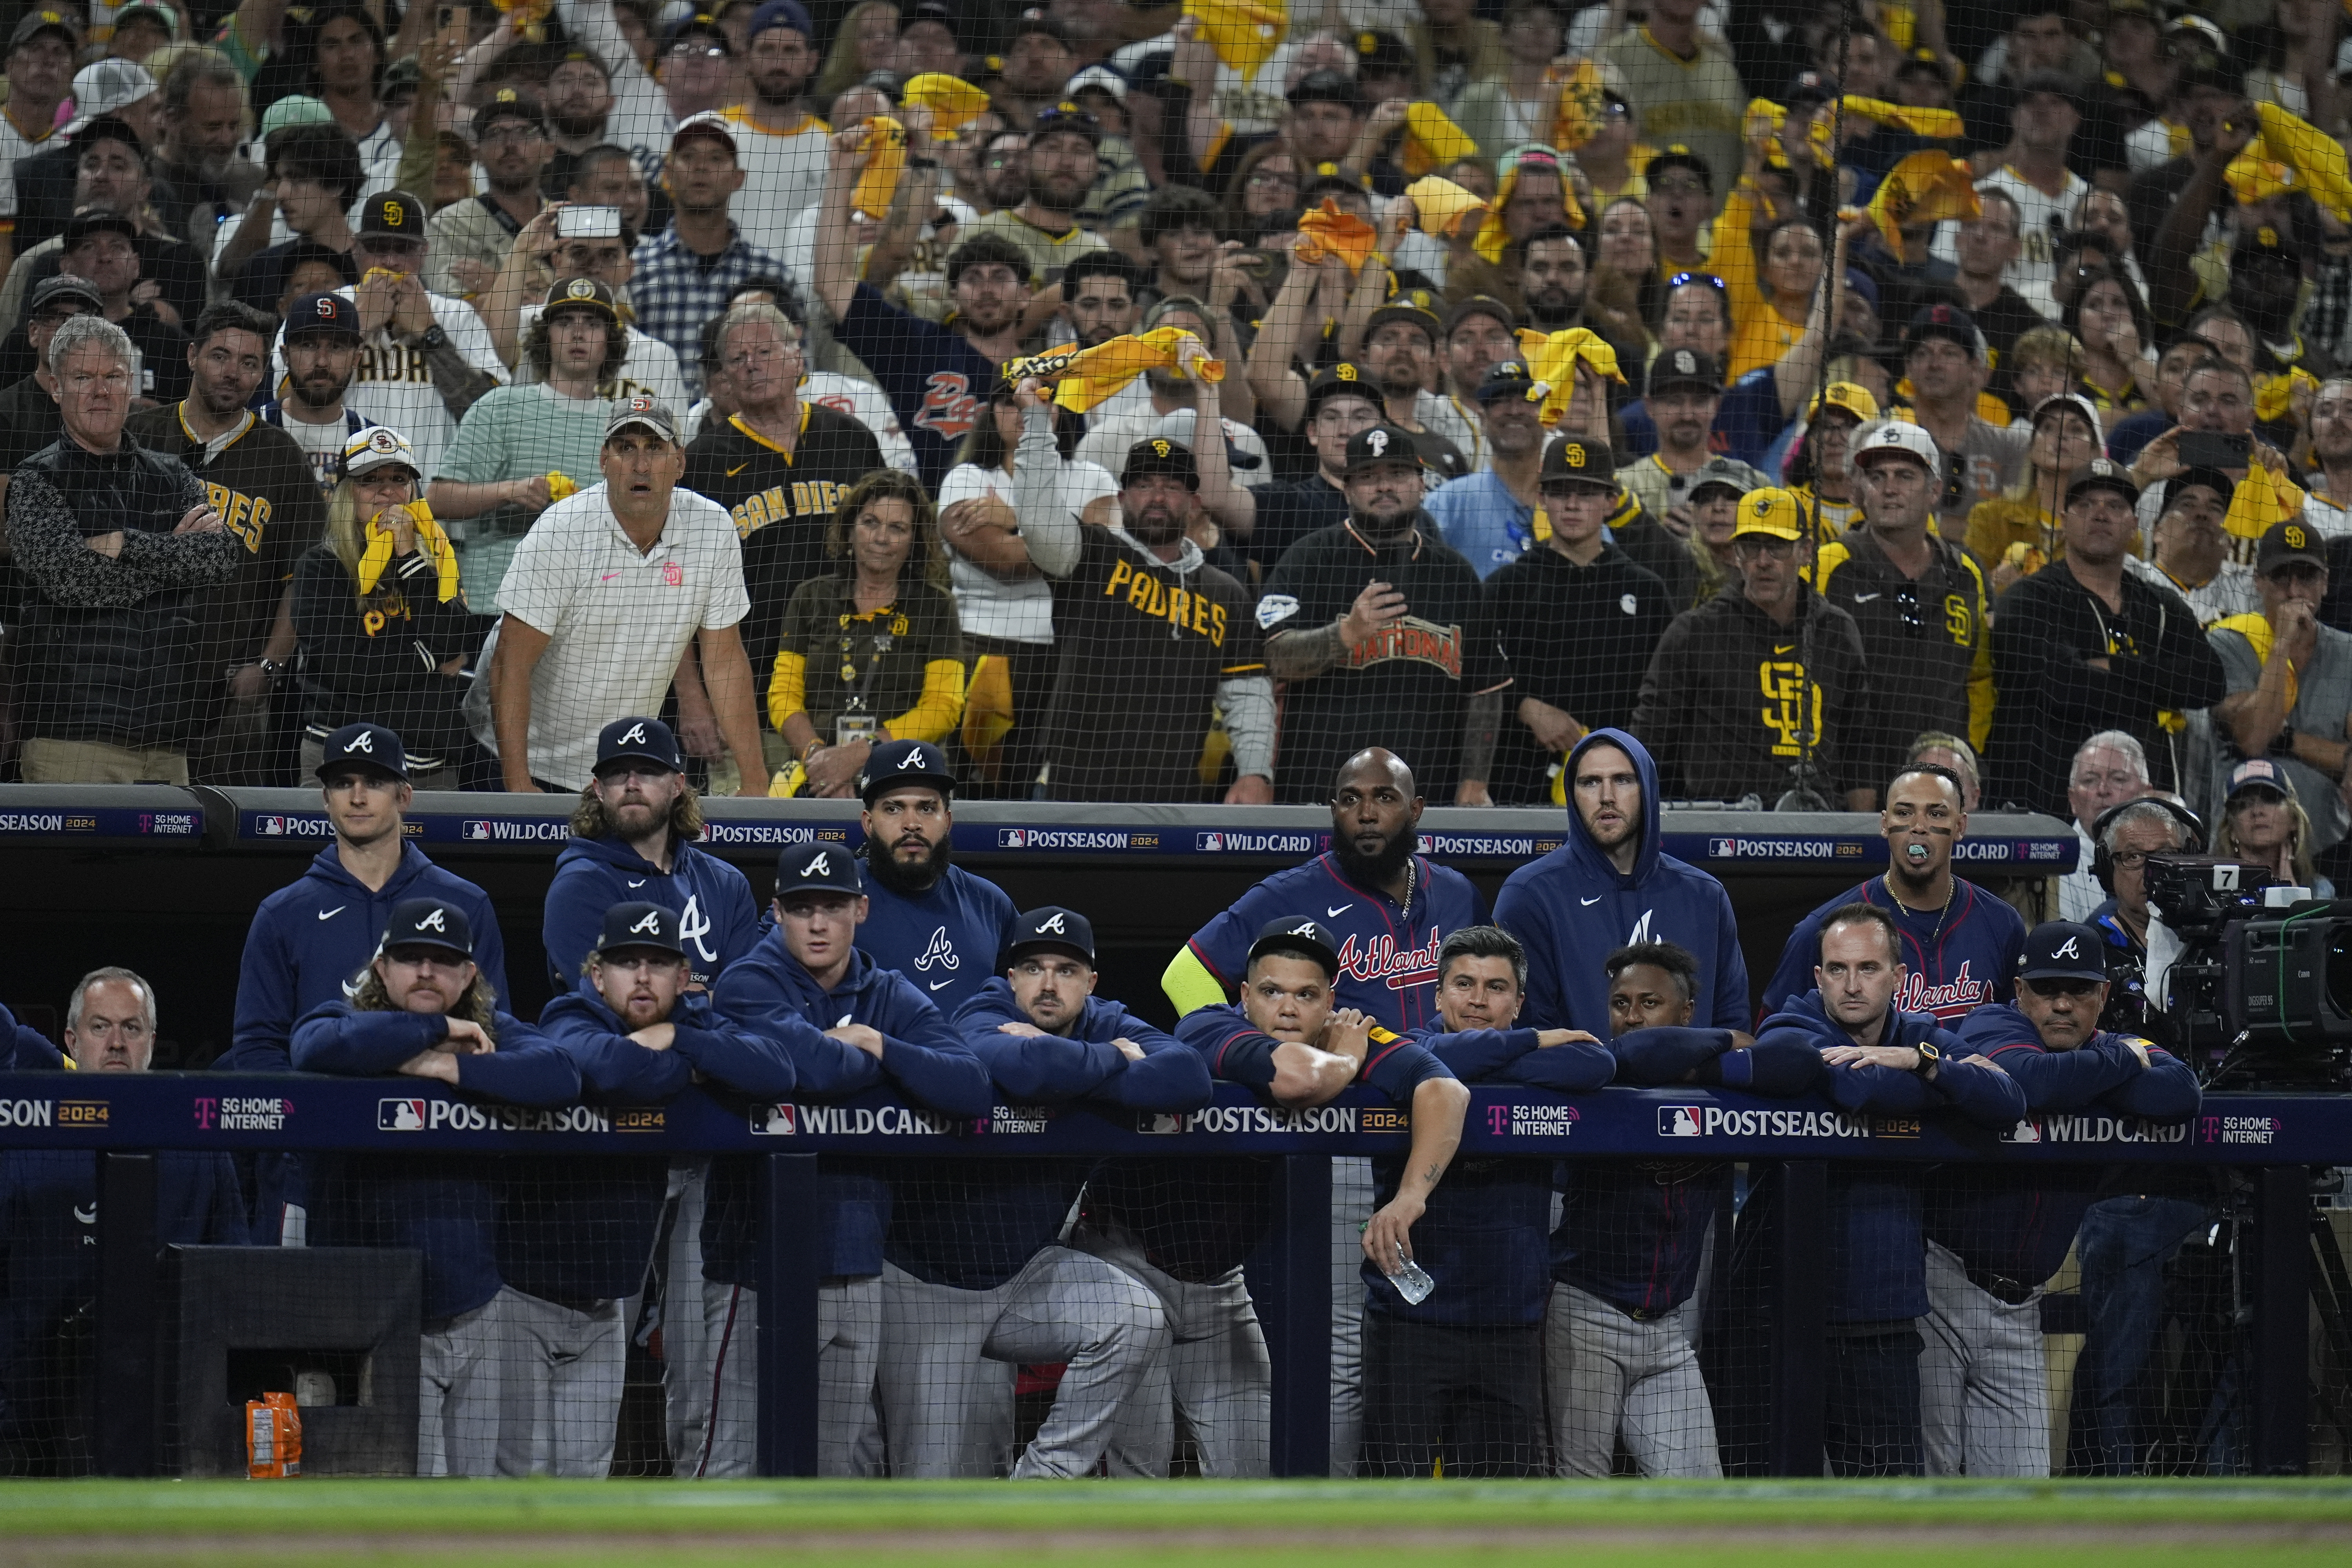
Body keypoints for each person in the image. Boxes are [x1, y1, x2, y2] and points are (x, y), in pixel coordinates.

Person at [700, 843, 993, 1478]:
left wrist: (879, 1043)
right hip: (758, 1268)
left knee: (827, 1478)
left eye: (832, 906)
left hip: (859, 1268)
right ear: (776, 913)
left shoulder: (887, 993)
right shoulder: (750, 982)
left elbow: (971, 1088)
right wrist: (867, 1062)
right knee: (732, 1467)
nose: (818, 923)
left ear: (860, 909)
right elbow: (813, 1066)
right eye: (802, 908)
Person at [876, 906, 1199, 1479]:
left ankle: (1042, 1483)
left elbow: (1189, 1078)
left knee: (1138, 1316)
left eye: (1067, 970)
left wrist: (1071, 1063)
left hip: (1022, 1273)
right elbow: (1023, 1069)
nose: (1049, 984)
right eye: (1033, 967)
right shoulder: (983, 1010)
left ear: (1092, 983)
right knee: (929, 1486)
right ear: (1011, 977)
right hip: (929, 1284)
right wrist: (1112, 1062)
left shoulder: (1106, 1017)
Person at [1172, 915, 1472, 1477]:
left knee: (1253, 1473)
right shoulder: (1209, 1025)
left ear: (1330, 1002)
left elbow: (1446, 1090)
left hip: (1215, 1282)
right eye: (1272, 992)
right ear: (1244, 997)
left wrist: (1410, 1197)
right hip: (1133, 1268)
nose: (1288, 1009)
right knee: (1130, 1470)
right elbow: (1298, 1079)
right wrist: (1351, 1059)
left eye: (1306, 995)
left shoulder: (1344, 1032)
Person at [289, 897, 577, 1479]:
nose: (426, 972)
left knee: (473, 1497)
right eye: (411, 958)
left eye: (443, 961)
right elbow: (313, 1045)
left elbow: (561, 1074)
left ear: (469, 974)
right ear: (382, 969)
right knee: (390, 1488)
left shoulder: (494, 1034)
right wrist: (436, 1030)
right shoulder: (343, 1018)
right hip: (376, 1317)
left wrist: (451, 1068)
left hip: (474, 1305)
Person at [1753, 903, 2027, 1476]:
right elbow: (1864, 1089)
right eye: (1837, 969)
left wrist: (1920, 1062)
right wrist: (1946, 1084)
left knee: (1885, 1510)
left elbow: (2008, 1102)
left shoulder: (1920, 1038)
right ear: (1818, 977)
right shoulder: (1792, 1026)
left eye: (1869, 969)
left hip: (1883, 1318)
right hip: (1776, 1319)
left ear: (1899, 979)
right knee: (1768, 1513)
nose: (1851, 985)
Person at [522, 900, 789, 1479]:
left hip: (661, 1217)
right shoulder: (569, 1013)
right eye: (626, 963)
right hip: (553, 1275)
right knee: (521, 1468)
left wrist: (676, 1037)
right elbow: (613, 1070)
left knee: (585, 1461)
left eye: (657, 963)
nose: (642, 978)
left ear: (683, 977)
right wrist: (690, 1067)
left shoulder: (692, 1020)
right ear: (597, 975)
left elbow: (775, 1070)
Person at [1934, 922, 2201, 1477]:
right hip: (1941, 1291)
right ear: (2020, 991)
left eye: (2078, 991)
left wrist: (2098, 1067)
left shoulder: (2104, 1045)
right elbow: (2031, 1081)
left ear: (2103, 996)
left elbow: (2181, 1092)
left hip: (2022, 1308)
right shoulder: (1990, 1023)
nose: (2061, 1005)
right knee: (1927, 1484)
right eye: (2047, 988)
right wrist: (2125, 1061)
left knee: (2023, 1495)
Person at [1551, 940, 1822, 1477]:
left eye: (1649, 1003)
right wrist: (1725, 1042)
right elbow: (1641, 1055)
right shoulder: (1601, 1070)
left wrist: (1700, 1071)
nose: (1631, 1017)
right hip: (1586, 1319)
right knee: (1578, 1498)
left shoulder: (1713, 1084)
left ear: (1686, 1011)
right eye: (1620, 1003)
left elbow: (1801, 1063)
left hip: (1668, 1333)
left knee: (1701, 1493)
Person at [1360, 925, 1616, 1479]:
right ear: (1437, 995)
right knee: (1391, 1504)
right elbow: (1418, 1053)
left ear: (1519, 1001)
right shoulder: (1399, 1052)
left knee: (1500, 1512)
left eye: (1496, 988)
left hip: (1509, 1328)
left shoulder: (1426, 1055)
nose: (1477, 1000)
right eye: (1464, 984)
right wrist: (1528, 1043)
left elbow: (1597, 1064)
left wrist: (1477, 1058)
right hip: (1410, 1326)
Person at [0, 969, 247, 1479]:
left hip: (170, 1411)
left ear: (152, 1041)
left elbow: (232, 1278)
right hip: (33, 1413)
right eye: (100, 1027)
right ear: (71, 1040)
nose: (116, 1043)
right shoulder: (26, 1142)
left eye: (131, 1028)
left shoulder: (197, 1146)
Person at [490, 397, 769, 796]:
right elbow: (509, 663)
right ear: (604, 461)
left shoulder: (713, 529)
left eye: (655, 449)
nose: (640, 466)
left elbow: (724, 662)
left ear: (680, 464)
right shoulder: (561, 531)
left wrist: (755, 778)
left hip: (623, 768)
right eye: (626, 449)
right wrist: (518, 783)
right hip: (526, 761)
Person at [5, 314, 238, 784]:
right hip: (71, 737)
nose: (100, 391)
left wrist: (124, 544)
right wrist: (173, 555)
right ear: (55, 388)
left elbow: (220, 558)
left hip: (168, 738)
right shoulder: (36, 480)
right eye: (83, 378)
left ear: (131, 384)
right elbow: (69, 581)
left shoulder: (172, 476)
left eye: (112, 376)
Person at [105, 299, 321, 786]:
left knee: (224, 840)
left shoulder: (282, 455)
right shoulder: (138, 436)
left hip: (229, 692)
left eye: (249, 363)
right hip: (133, 677)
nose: (233, 374)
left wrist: (267, 665)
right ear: (192, 356)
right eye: (220, 356)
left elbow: (301, 576)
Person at [1008, 409, 1272, 803]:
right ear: (1122, 496)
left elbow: (1248, 695)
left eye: (1172, 486)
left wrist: (1256, 772)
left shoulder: (1227, 593)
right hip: (1071, 787)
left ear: (1194, 503)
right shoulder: (1091, 554)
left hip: (1173, 796)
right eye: (1144, 484)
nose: (1158, 497)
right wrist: (1037, 427)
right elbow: (1038, 520)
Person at [679, 299, 888, 774]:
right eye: (736, 359)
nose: (751, 365)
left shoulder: (852, 439)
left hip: (854, 682)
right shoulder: (703, 460)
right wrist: (693, 698)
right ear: (724, 378)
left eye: (765, 351)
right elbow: (677, 591)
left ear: (798, 358)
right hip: (746, 685)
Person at [1259, 423, 1512, 804]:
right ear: (1347, 489)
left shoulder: (1457, 574)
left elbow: (1485, 690)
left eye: (1397, 473)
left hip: (1427, 797)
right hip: (1318, 792)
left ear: (1421, 483)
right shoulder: (1308, 559)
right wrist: (1344, 635)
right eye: (1367, 477)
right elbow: (1274, 658)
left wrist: (1475, 782)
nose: (1384, 487)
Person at [1985, 458, 2226, 815]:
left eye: (2115, 506)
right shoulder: (2028, 598)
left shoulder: (2160, 604)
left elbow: (2209, 682)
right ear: (2064, 520)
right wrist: (2158, 691)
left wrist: (2112, 666)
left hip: (2146, 816)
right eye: (2086, 505)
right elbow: (2063, 686)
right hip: (2045, 809)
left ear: (2134, 524)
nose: (2100, 515)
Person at [1632, 486, 1877, 809]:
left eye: (1777, 547)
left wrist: (1860, 850)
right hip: (1721, 833)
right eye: (1751, 547)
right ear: (1736, 554)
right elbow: (1648, 743)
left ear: (1806, 551)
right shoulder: (1695, 633)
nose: (1763, 562)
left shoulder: (1837, 632)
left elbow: (1858, 752)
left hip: (1818, 831)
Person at [1492, 726, 1747, 1034]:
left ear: (1648, 790)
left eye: (1622, 780)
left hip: (1689, 1084)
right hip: (1578, 1082)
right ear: (1573, 795)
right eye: (1590, 783)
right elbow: (1527, 1031)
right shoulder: (1530, 895)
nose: (1606, 797)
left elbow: (1733, 1027)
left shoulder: (1706, 896)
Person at [286, 425, 492, 785]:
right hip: (345, 754)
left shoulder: (436, 561)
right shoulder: (321, 566)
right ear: (348, 492)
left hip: (430, 761)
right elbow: (349, 669)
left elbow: (455, 639)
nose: (387, 492)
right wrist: (429, 657)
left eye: (399, 479)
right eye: (370, 480)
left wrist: (410, 557)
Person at [813, 123, 1016, 488]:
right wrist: (841, 172)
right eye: (972, 278)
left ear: (1026, 294)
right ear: (952, 293)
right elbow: (832, 282)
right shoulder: (915, 346)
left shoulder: (1047, 372)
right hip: (923, 522)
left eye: (1000, 277)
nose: (987, 290)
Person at [1483, 434, 1676, 806]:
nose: (1572, 505)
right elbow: (1474, 675)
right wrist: (1525, 705)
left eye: (1586, 493)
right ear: (1542, 497)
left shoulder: (1647, 590)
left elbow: (1666, 694)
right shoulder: (1505, 588)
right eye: (1560, 492)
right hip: (1519, 782)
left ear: (1611, 502)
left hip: (1622, 785)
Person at [272, 191, 507, 487]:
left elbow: (494, 417)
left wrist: (430, 335)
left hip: (433, 504)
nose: (391, 261)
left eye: (404, 249)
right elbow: (284, 405)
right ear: (356, 249)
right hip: (335, 495)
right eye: (378, 248)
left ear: (424, 253)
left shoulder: (455, 315)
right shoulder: (319, 309)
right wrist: (356, 326)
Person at [1761, 763, 2028, 1021]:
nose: (1919, 826)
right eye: (1904, 813)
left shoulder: (2002, 924)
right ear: (1884, 824)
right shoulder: (1825, 928)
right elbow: (1773, 1039)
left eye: (1936, 814)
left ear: (1960, 827)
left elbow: (2018, 1032)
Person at [429, 275, 629, 610]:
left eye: (592, 324)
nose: (578, 333)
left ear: (610, 341)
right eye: (565, 322)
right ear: (545, 335)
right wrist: (510, 491)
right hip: (497, 604)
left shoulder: (623, 426)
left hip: (590, 609)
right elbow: (438, 499)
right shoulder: (499, 406)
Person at [1816, 420, 1993, 789]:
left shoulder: (1966, 574)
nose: (1890, 489)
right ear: (1861, 490)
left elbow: (1978, 680)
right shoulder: (1829, 565)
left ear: (1935, 491)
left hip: (1942, 785)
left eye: (1905, 476)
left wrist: (1967, 751)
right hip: (1848, 781)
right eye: (1877, 477)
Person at [770, 469, 964, 797]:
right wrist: (821, 760)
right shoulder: (811, 597)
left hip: (902, 771)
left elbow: (943, 706)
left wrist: (862, 754)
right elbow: (783, 695)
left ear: (915, 540)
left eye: (897, 528)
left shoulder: (936, 606)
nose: (881, 538)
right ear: (849, 530)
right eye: (870, 522)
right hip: (815, 768)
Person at [543, 717, 764, 990]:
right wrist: (709, 996)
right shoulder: (579, 886)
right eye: (617, 773)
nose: (632, 784)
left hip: (721, 1035)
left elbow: (748, 1000)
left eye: (648, 771)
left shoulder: (726, 884)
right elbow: (612, 1004)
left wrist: (678, 997)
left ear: (677, 786)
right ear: (599, 790)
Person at [2207, 520, 2352, 862]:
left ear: (2326, 583)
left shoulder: (2347, 652)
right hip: (2241, 850)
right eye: (2281, 578)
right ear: (2258, 581)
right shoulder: (2227, 642)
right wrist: (2281, 644)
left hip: (2329, 847)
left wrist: (2287, 740)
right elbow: (2256, 737)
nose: (2294, 591)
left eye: (2307, 577)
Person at [630, 114, 788, 405]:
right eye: (688, 157)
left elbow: (795, 371)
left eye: (717, 159)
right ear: (668, 174)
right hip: (652, 436)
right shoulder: (633, 270)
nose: (701, 167)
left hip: (747, 440)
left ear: (738, 178)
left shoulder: (773, 275)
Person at [1602, 0, 1741, 209]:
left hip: (1723, 233)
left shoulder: (1725, 71)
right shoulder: (1612, 60)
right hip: (1641, 226)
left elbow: (1742, 158)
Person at [2086, 796, 2203, 1041]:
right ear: (2108, 869)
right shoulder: (2090, 950)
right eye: (2134, 857)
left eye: (2166, 854)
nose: (2151, 873)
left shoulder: (2214, 940)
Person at [1965, 392, 2105, 594]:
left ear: (2097, 452)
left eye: (2076, 429)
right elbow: (1971, 594)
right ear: (2031, 447)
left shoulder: (2110, 528)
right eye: (2048, 428)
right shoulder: (1989, 517)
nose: (2061, 436)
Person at [1248, 363, 1381, 570]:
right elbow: (1215, 498)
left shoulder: (1409, 514)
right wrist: (1207, 392)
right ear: (1312, 432)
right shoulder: (1286, 505)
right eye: (1331, 417)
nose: (1345, 430)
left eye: (1361, 417)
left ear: (1384, 432)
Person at [1423, 359, 1547, 579]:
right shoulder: (1447, 503)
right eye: (1501, 401)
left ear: (1549, 416)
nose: (1515, 411)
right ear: (1482, 419)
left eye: (1529, 400)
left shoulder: (1569, 504)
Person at [961, 101, 1108, 283]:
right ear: (1028, 159)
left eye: (1081, 151)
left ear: (1096, 167)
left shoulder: (1098, 253)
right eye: (1052, 148)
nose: (1066, 162)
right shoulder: (982, 234)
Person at [422, 91, 549, 298]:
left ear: (550, 150)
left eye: (524, 132)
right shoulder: (449, 224)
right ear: (477, 154)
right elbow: (458, 315)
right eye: (495, 134)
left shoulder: (572, 222)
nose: (510, 144)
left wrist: (500, 285)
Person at [2058, 731, 2154, 922]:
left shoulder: (2165, 857)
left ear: (2146, 795)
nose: (2103, 790)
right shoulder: (2058, 867)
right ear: (2073, 800)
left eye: (2118, 779)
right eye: (2090, 780)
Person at [2213, 758, 2335, 896]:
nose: (2257, 811)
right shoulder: (2213, 891)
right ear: (2232, 830)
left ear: (2294, 820)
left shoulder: (2321, 891)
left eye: (2270, 799)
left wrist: (2293, 896)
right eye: (2244, 805)